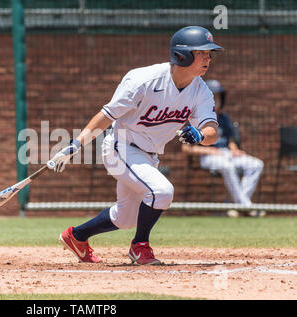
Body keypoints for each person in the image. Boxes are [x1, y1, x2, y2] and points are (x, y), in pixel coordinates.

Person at [48, 26, 223, 264]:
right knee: (161, 191)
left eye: (209, 53)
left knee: (125, 218)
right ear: (182, 55)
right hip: (121, 147)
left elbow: (212, 130)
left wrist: (200, 136)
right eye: (201, 52)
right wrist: (75, 145)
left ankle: (76, 236)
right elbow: (107, 115)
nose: (208, 58)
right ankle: (139, 246)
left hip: (149, 155)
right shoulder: (143, 80)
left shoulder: (201, 90)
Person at [181, 79, 265, 218]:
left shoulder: (223, 117)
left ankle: (238, 206)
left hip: (226, 154)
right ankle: (247, 207)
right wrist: (211, 150)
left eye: (217, 97)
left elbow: (229, 140)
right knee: (227, 166)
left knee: (256, 164)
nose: (215, 101)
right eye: (212, 97)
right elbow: (187, 148)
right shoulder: (195, 117)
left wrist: (234, 149)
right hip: (208, 157)